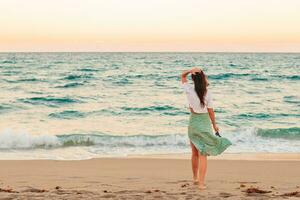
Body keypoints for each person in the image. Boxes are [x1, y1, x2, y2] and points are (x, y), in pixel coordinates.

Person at [181, 67, 232, 190]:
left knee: (194, 153)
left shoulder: (188, 89)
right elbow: (210, 111)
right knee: (203, 154)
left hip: (193, 123)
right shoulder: (207, 92)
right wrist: (214, 125)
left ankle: (195, 178)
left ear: (193, 78)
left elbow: (182, 76)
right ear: (203, 78)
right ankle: (201, 183)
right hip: (204, 123)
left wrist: (190, 70)